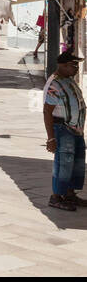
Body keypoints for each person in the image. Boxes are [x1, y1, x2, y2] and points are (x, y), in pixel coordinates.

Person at [43, 52, 86, 211]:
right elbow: (47, 111)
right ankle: (56, 197)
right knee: (64, 164)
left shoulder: (68, 80)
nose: (76, 68)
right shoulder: (54, 84)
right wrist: (51, 139)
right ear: (62, 66)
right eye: (73, 65)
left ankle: (70, 194)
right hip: (63, 129)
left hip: (76, 129)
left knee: (77, 164)